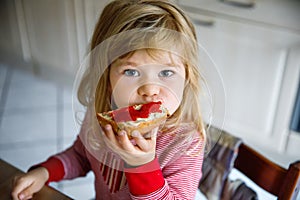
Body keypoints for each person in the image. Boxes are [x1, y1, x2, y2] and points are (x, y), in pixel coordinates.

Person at [11, 0, 207, 199]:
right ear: (106, 77)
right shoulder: (103, 116)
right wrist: (45, 172)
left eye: (166, 72)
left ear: (187, 77)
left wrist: (141, 165)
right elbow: (81, 156)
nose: (149, 89)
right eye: (131, 71)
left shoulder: (186, 143)